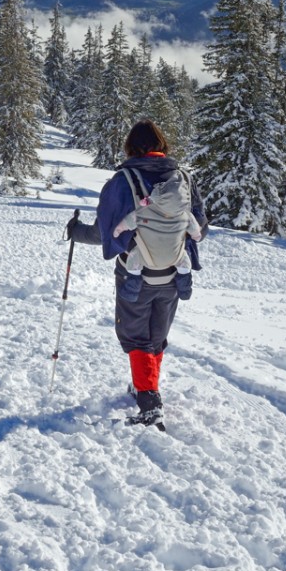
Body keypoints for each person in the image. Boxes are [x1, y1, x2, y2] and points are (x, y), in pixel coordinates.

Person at [94, 120, 206, 426]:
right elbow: (200, 226)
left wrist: (77, 231)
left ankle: (149, 402)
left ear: (131, 146)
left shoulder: (123, 180)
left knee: (135, 338)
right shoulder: (182, 178)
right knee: (156, 337)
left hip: (135, 274)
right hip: (173, 273)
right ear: (162, 145)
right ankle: (145, 384)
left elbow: (107, 232)